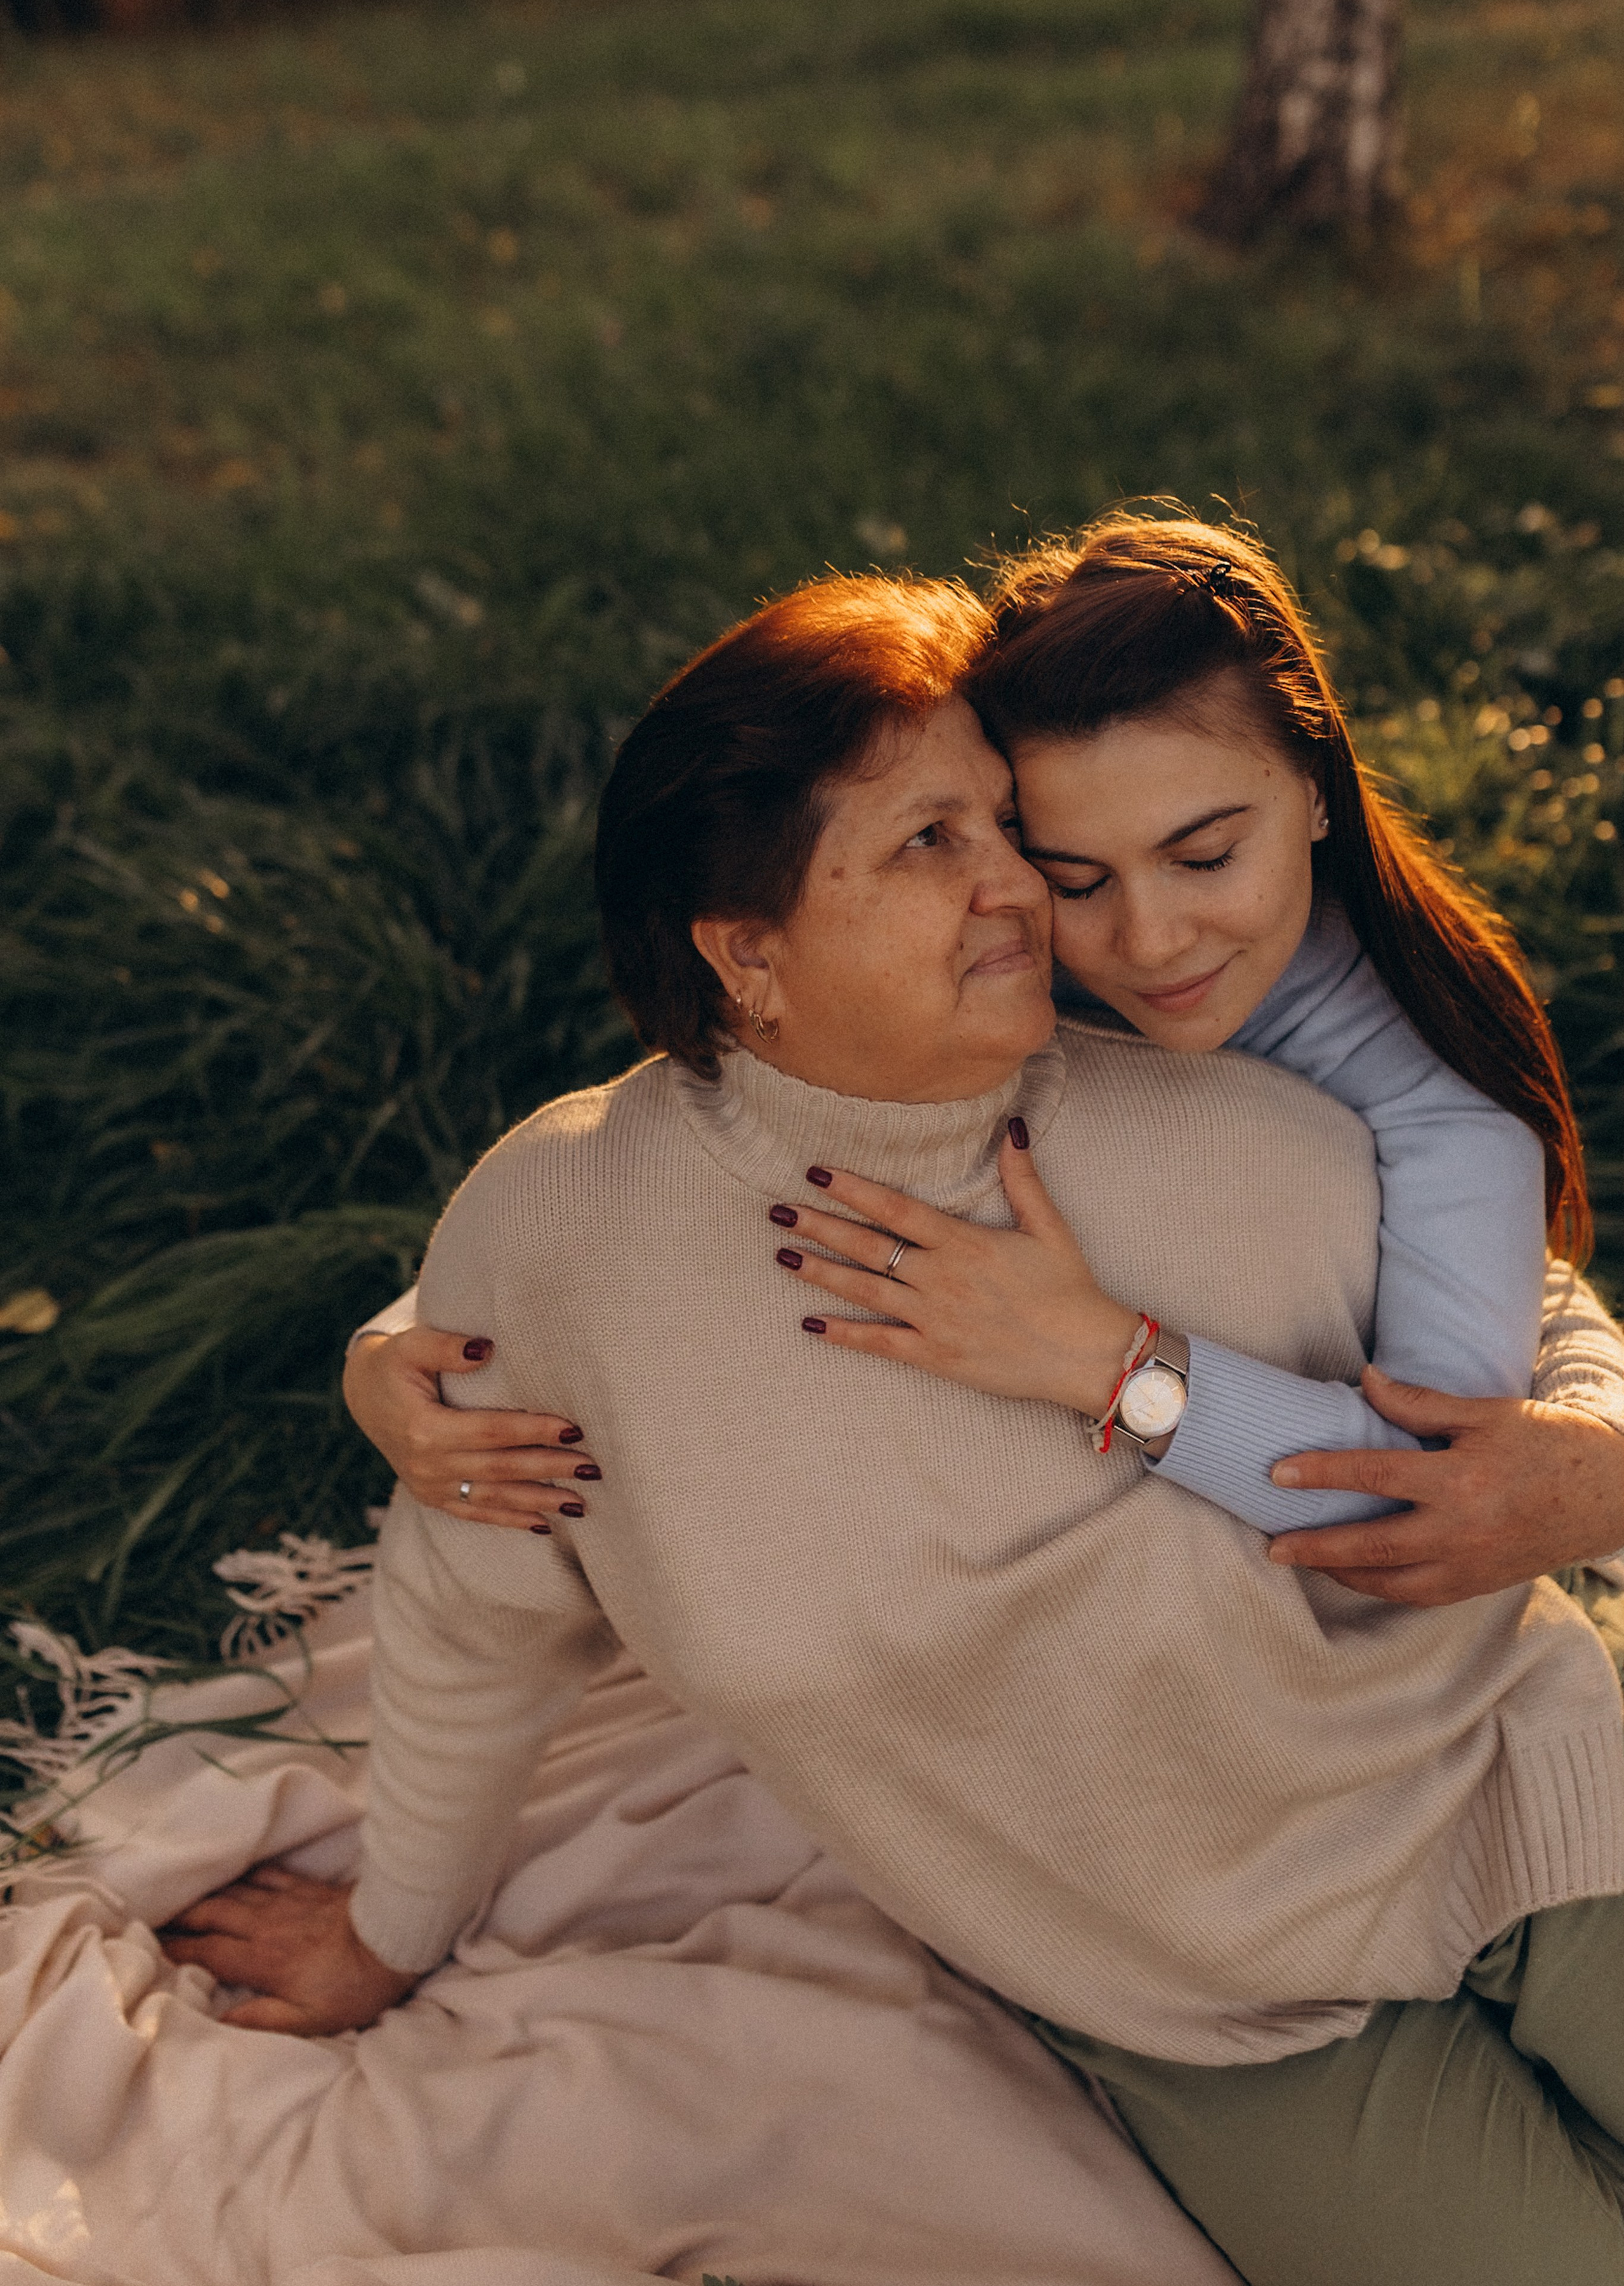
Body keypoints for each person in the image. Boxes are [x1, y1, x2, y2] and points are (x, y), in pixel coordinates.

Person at [169, 569, 1624, 2286]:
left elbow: (1517, 1315)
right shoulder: (564, 1240)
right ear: (744, 952)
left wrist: (1589, 1455)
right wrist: (387, 1932)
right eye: (937, 842)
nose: (1029, 891)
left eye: (1006, 827)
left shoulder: (1223, 1089)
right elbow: (474, 1609)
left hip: (1524, 1787)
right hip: (1211, 2011)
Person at [346, 518, 1624, 1605]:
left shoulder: (1442, 1113)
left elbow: (1428, 1508)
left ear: (1319, 788)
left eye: (1204, 855)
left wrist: (1102, 1363)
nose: (1147, 941)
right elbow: (748, 1131)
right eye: (1073, 873)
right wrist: (405, 1341)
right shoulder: (1017, 944)